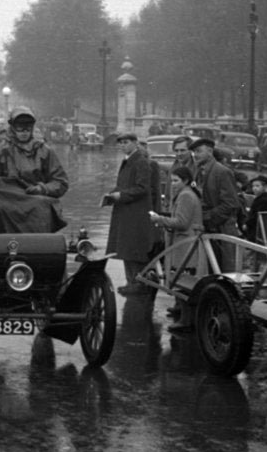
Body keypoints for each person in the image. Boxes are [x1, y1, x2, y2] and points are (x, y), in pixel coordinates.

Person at [149, 165, 203, 332]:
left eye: (175, 181)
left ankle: (186, 320)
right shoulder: (186, 193)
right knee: (182, 278)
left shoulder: (186, 196)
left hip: (186, 242)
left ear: (185, 181)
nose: (172, 184)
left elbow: (182, 223)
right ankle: (180, 309)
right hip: (186, 240)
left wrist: (159, 220)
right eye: (171, 181)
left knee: (184, 280)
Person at [104, 132, 155, 295]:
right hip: (125, 211)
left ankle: (138, 283)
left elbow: (142, 188)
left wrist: (121, 195)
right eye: (120, 143)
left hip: (136, 213)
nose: (122, 145)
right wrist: (111, 195)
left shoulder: (140, 162)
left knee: (135, 249)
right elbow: (123, 184)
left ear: (135, 143)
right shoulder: (127, 161)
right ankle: (131, 281)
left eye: (125, 142)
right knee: (126, 249)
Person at [191, 138, 243, 271]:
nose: (195, 155)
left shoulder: (222, 172)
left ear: (210, 152)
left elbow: (231, 203)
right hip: (208, 228)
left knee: (225, 270)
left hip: (223, 228)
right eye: (194, 152)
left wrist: (208, 217)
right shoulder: (197, 171)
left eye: (199, 151)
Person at [0, 107, 68, 197]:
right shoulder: (0, 151)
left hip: (38, 201)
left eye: (28, 127)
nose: (24, 132)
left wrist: (43, 189)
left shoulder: (45, 151)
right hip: (9, 200)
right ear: (12, 127)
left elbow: (60, 182)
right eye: (20, 127)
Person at [243, 174, 267, 243]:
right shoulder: (259, 198)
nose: (254, 188)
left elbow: (256, 215)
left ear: (265, 187)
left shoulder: (263, 200)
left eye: (257, 186)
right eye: (253, 186)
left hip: (256, 229)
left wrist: (247, 224)